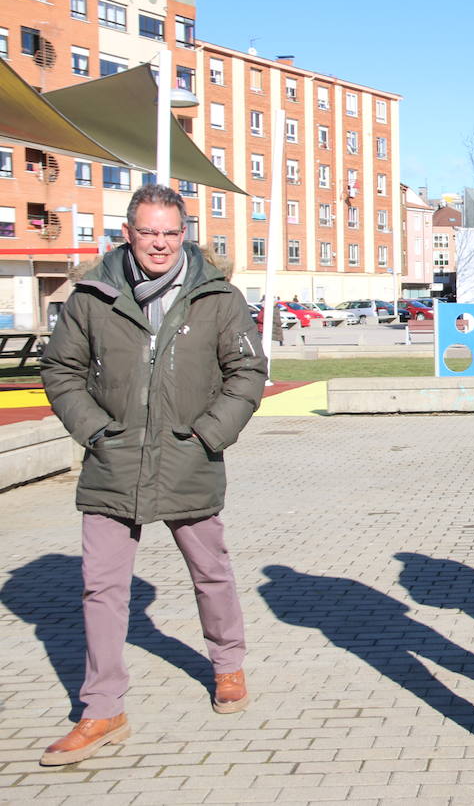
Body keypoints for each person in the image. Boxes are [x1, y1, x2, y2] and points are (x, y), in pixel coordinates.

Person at [38, 184, 267, 766]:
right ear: (129, 234)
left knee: (210, 572)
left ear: (184, 232)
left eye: (170, 232)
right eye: (149, 232)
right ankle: (102, 709)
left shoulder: (217, 296)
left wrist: (210, 435)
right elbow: (61, 369)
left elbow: (246, 372)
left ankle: (228, 666)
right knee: (101, 588)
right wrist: (96, 431)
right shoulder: (93, 293)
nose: (159, 243)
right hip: (113, 462)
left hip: (190, 456)